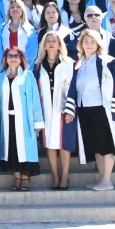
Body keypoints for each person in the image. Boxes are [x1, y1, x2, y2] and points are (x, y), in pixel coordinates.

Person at [68, 29, 115, 190]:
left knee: (105, 146)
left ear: (98, 44)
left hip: (102, 109)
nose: (88, 45)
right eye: (86, 41)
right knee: (95, 146)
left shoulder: (106, 61)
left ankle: (107, 180)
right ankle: (102, 179)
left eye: (92, 42)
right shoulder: (79, 63)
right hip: (84, 109)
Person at [0, 45, 41, 191]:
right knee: (12, 147)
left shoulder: (28, 76)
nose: (13, 59)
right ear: (5, 60)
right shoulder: (0, 78)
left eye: (16, 56)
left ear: (21, 59)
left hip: (24, 120)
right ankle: (17, 177)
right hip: (7, 120)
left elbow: (35, 99)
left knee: (25, 148)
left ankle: (25, 178)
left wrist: (37, 121)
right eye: (10, 56)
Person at [34, 30, 75, 189]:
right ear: (44, 45)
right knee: (50, 143)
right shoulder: (38, 65)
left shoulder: (68, 63)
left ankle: (65, 176)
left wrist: (70, 110)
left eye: (54, 41)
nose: (51, 44)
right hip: (46, 111)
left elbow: (73, 87)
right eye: (48, 41)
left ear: (59, 44)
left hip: (64, 110)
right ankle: (55, 176)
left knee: (64, 143)